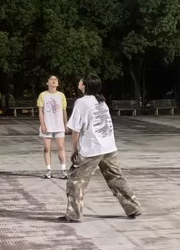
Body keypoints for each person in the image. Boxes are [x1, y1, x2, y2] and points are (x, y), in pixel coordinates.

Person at [60, 74, 141, 222]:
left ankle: (74, 215)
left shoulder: (81, 102)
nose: (79, 81)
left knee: (75, 180)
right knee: (116, 178)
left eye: (81, 80)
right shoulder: (102, 102)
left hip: (92, 148)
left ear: (84, 85)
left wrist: (75, 149)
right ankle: (133, 207)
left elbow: (75, 129)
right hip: (109, 147)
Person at [37, 75, 68, 179]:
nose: (53, 81)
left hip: (59, 125)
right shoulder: (43, 95)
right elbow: (40, 111)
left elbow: (64, 111)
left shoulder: (61, 95)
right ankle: (49, 170)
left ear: (58, 83)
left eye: (55, 79)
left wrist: (65, 124)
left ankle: (63, 170)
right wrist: (42, 124)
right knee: (47, 148)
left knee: (61, 147)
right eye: (51, 79)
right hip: (47, 124)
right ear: (47, 83)